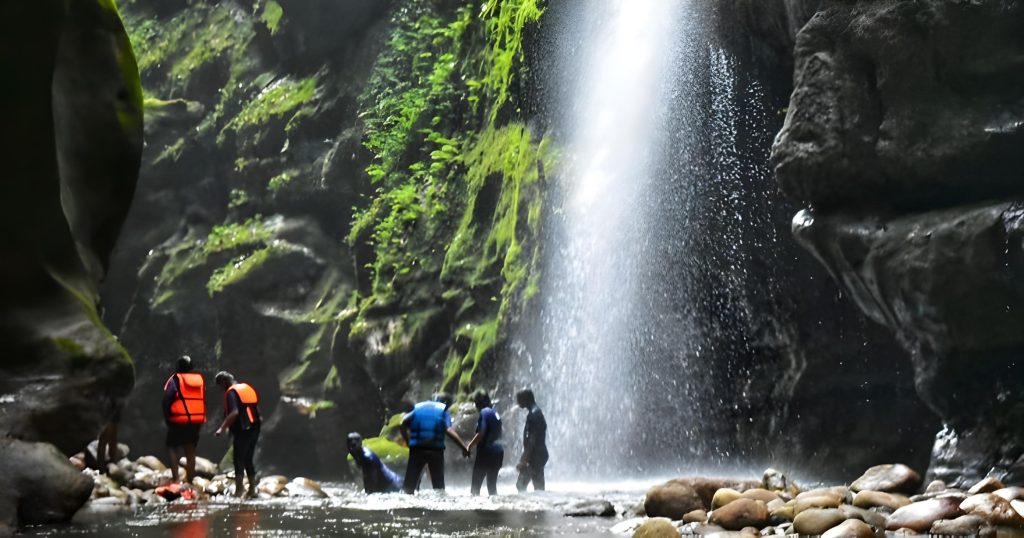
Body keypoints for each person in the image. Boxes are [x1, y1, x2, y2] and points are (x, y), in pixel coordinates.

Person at [399, 393, 470, 494]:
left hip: (417, 450)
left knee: (408, 488)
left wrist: (407, 441)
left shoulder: (418, 407)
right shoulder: (443, 411)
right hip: (435, 451)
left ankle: (406, 509)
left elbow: (402, 423)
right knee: (439, 488)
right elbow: (449, 430)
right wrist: (464, 447)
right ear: (446, 404)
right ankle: (439, 509)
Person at [214, 371, 261, 498]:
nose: (221, 390)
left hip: (243, 429)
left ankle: (239, 490)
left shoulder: (231, 392)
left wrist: (222, 428)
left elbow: (234, 412)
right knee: (248, 459)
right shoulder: (245, 388)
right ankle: (252, 489)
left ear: (224, 382)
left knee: (238, 459)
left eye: (220, 386)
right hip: (255, 427)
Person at [162, 355, 206, 483]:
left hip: (179, 420)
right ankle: (190, 480)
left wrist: (168, 419)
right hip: (196, 421)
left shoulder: (176, 380)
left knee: (171, 447)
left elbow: (166, 400)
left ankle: (176, 479)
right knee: (190, 448)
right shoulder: (199, 380)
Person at [467, 390, 503, 496]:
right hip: (498, 452)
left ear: (478, 402)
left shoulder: (484, 412)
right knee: (492, 487)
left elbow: (481, 433)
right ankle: (495, 510)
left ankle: (476, 512)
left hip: (487, 452)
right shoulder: (495, 412)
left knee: (475, 488)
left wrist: (469, 446)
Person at [515, 389, 547, 492]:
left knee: (520, 485)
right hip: (540, 455)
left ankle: (525, 506)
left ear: (525, 399)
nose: (517, 401)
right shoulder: (537, 412)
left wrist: (524, 460)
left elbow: (532, 440)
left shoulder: (533, 415)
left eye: (519, 399)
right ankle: (541, 505)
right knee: (539, 488)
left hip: (533, 457)